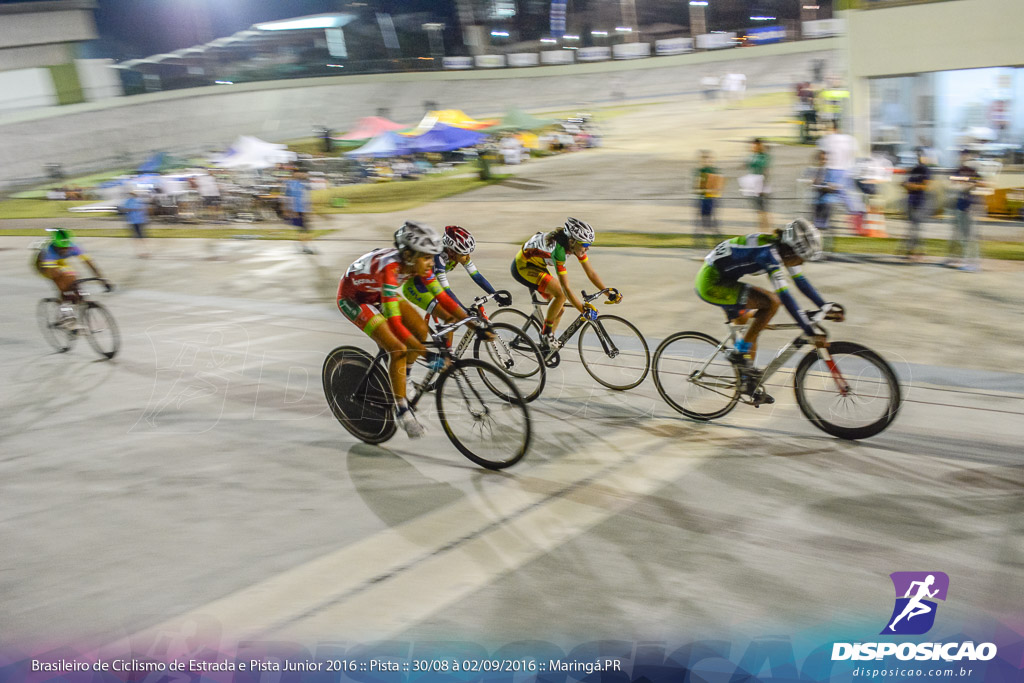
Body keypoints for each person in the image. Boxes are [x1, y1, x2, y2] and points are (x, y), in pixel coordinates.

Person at [336, 221, 487, 439]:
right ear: (409, 255)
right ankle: (402, 410)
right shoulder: (390, 269)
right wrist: (427, 356)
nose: (431, 262)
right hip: (354, 298)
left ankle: (403, 378)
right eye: (426, 257)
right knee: (397, 348)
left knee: (420, 331)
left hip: (377, 292)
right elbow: (396, 325)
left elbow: (443, 297)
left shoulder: (419, 265)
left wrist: (475, 325)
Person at [695, 219, 842, 401]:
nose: (802, 263)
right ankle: (740, 353)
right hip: (711, 283)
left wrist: (824, 306)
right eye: (802, 259)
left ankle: (748, 383)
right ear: (792, 251)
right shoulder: (768, 254)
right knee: (772, 302)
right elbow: (786, 298)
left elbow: (800, 281)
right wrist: (808, 330)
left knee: (752, 327)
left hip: (724, 279)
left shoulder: (781, 249)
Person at [510, 217, 621, 348]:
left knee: (559, 309)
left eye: (589, 245)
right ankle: (546, 335)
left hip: (537, 264)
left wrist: (608, 293)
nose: (588, 248)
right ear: (572, 241)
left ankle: (546, 347)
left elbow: (591, 273)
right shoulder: (559, 251)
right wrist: (583, 310)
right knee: (561, 295)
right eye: (585, 245)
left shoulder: (574, 246)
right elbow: (566, 289)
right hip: (523, 267)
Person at [402, 225, 512, 323]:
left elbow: (477, 277)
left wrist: (496, 296)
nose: (468, 257)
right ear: (452, 253)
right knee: (452, 317)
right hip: (417, 289)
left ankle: (445, 344)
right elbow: (447, 291)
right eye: (465, 254)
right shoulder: (438, 259)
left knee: (454, 317)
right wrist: (464, 311)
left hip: (431, 285)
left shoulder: (458, 255)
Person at [33, 228, 111, 322]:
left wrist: (102, 279)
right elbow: (54, 273)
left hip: (60, 262)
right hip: (43, 265)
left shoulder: (74, 246)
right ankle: (65, 310)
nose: (64, 250)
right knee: (62, 281)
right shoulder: (48, 251)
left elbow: (89, 263)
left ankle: (72, 300)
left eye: (66, 247)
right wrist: (67, 290)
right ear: (55, 245)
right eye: (61, 248)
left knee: (73, 277)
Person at [946, 149, 985, 271]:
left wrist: (970, 184)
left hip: (970, 206)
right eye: (962, 156)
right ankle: (964, 260)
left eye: (965, 156)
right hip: (960, 206)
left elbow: (983, 183)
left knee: (970, 236)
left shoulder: (972, 171)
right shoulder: (957, 171)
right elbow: (951, 183)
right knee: (963, 236)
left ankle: (973, 263)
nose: (963, 158)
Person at [899, 148, 931, 262]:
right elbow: (906, 183)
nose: (918, 158)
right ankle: (918, 250)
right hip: (911, 201)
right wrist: (905, 185)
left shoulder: (925, 170)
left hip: (920, 201)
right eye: (917, 156)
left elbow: (926, 186)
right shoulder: (914, 169)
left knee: (915, 227)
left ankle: (912, 250)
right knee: (913, 227)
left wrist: (912, 186)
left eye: (920, 156)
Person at [693, 150, 723, 251]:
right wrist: (702, 189)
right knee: (701, 223)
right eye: (704, 160)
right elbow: (696, 188)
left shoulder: (713, 171)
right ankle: (700, 245)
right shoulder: (699, 171)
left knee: (712, 223)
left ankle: (718, 244)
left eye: (708, 160)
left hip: (711, 199)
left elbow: (718, 186)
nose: (706, 162)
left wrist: (713, 190)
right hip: (702, 199)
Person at [284, 169, 314, 254]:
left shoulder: (302, 184)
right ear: (293, 174)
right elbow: (287, 197)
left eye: (300, 173)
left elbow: (306, 197)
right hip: (296, 210)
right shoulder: (290, 184)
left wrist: (309, 210)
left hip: (304, 209)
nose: (300, 175)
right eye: (297, 173)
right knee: (303, 229)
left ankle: (302, 245)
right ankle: (304, 247)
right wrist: (289, 210)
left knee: (305, 229)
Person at [745, 138, 772, 232]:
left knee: (763, 210)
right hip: (752, 185)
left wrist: (762, 187)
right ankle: (761, 230)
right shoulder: (751, 156)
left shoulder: (763, 156)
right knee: (758, 211)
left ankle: (766, 230)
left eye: (756, 146)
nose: (754, 148)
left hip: (761, 185)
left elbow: (765, 171)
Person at [121, 189, 151, 258]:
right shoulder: (137, 201)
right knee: (140, 237)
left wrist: (130, 210)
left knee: (138, 237)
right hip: (137, 221)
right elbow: (127, 210)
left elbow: (126, 210)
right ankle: (142, 251)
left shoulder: (131, 201)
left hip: (136, 221)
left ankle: (142, 251)